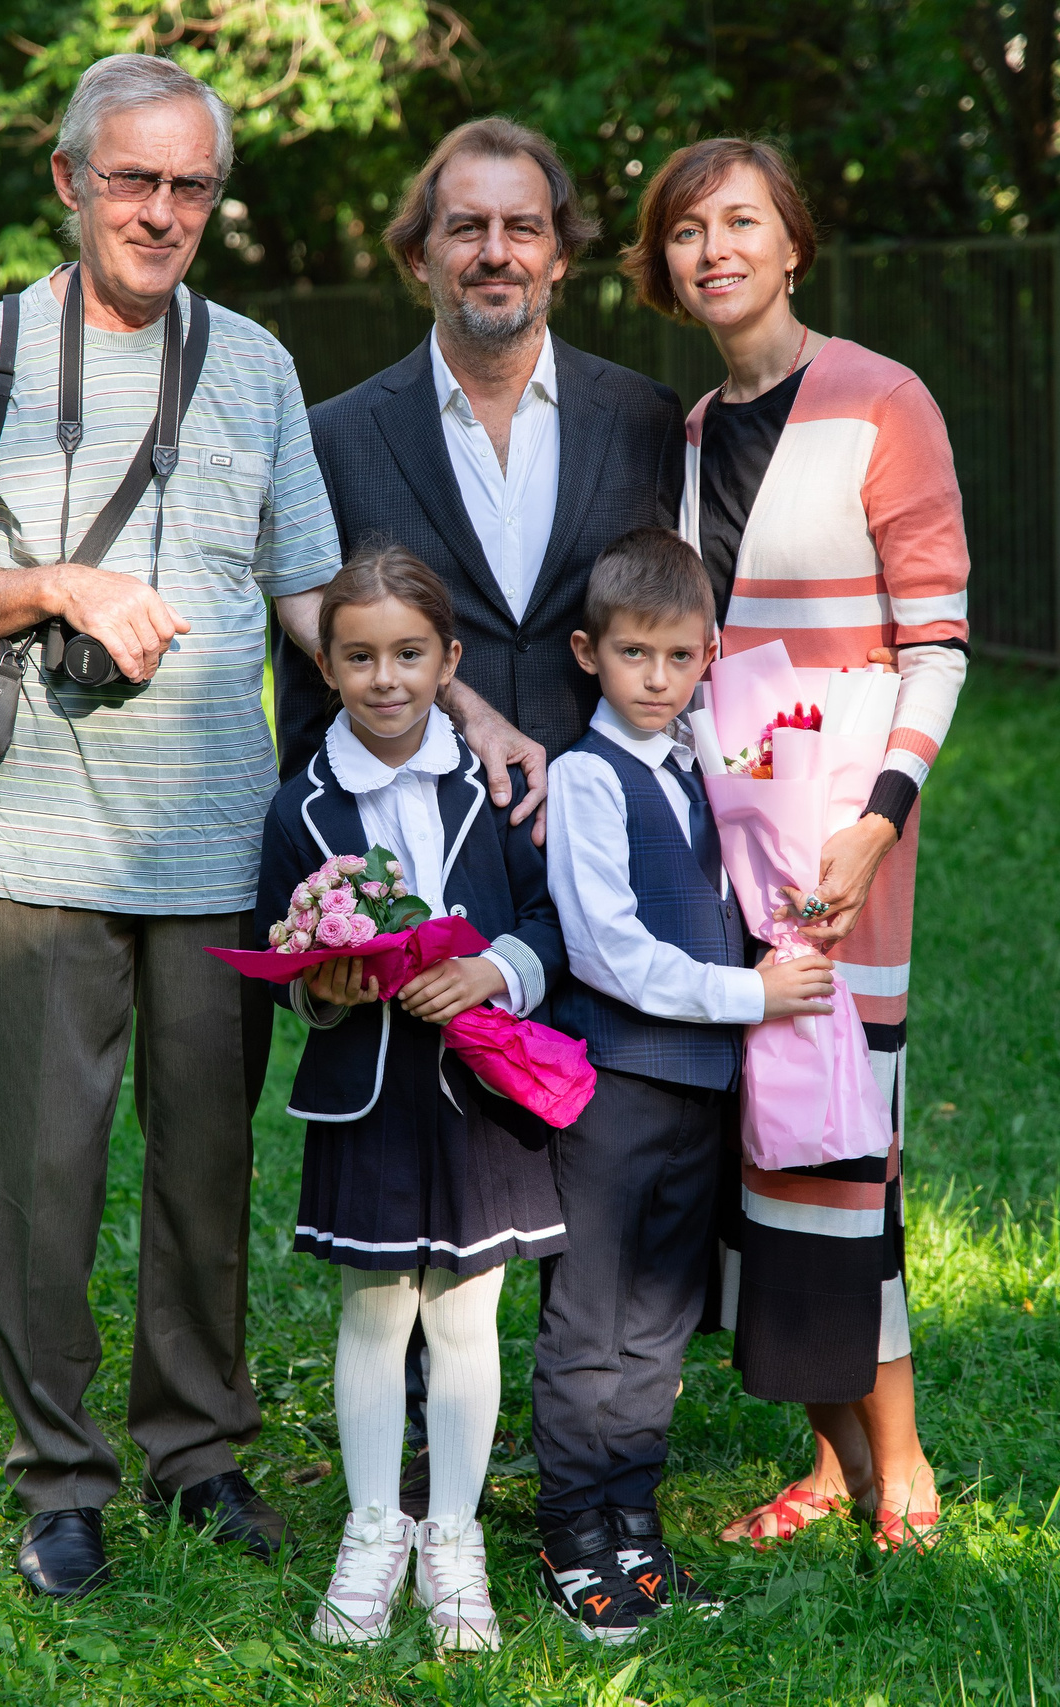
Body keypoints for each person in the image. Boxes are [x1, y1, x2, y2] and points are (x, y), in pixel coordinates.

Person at [0, 52, 340, 1598]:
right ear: (70, 181)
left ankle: (197, 1451)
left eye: (190, 185)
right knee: (48, 1175)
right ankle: (61, 1477)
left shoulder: (256, 364)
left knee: (205, 1170)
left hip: (221, 838)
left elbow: (309, 592)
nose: (161, 210)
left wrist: (432, 706)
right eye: (133, 178)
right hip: (39, 841)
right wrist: (59, 584)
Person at [286, 118, 686, 1505]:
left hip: (601, 837)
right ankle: (409, 1466)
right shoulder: (340, 435)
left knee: (603, 1135)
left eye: (523, 226)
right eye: (466, 226)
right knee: (427, 1146)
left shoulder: (645, 419)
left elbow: (675, 624)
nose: (495, 251)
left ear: (561, 254)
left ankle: (590, 1455)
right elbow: (325, 650)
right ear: (419, 253)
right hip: (426, 852)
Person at [621, 137, 969, 1554]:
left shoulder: (883, 400)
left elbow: (936, 644)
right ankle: (828, 1461)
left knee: (840, 1139)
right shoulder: (688, 434)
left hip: (840, 848)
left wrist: (875, 824)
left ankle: (905, 1465)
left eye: (740, 222)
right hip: (725, 840)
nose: (714, 249)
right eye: (686, 230)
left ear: (793, 242)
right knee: (759, 1138)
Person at [255, 546, 565, 1654]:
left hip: (479, 1090)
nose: (384, 679)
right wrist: (322, 989)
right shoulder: (302, 807)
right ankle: (373, 1528)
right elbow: (277, 952)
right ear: (325, 666)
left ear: (449, 660)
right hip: (370, 1096)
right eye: (358, 657)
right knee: (377, 1308)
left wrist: (493, 970)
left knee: (468, 1313)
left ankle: (453, 1536)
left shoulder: (495, 787)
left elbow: (548, 920)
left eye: (407, 654)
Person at [536, 528, 839, 1641]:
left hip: (700, 1090)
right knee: (592, 1317)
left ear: (708, 654)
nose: (657, 679)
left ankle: (633, 1525)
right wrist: (749, 993)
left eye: (678, 656)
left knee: (661, 1315)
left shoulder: (710, 767)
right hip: (614, 1088)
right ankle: (571, 1535)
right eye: (633, 654)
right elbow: (604, 948)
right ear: (589, 653)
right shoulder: (585, 777)